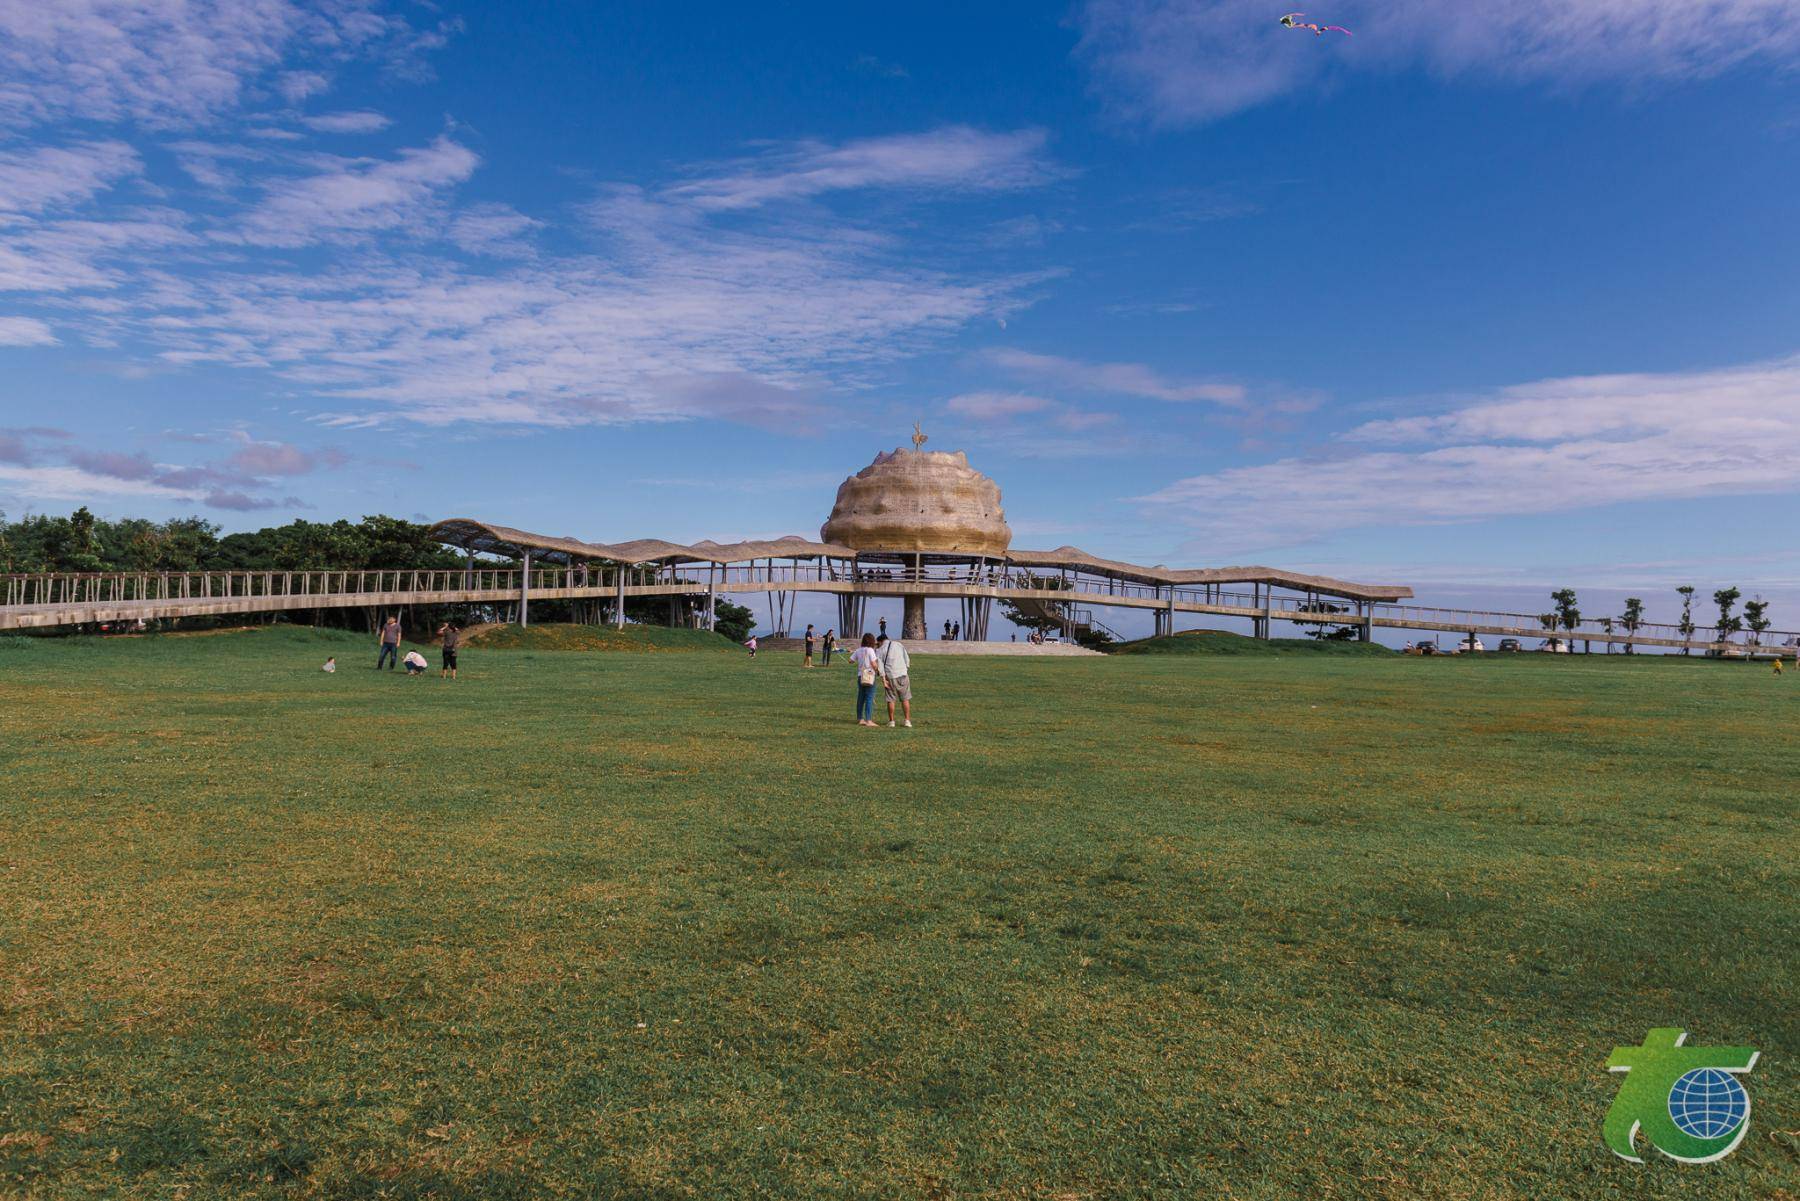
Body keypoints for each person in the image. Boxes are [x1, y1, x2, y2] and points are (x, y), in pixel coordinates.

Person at [878, 634, 913, 728]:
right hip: (903, 674)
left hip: (890, 676)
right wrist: (905, 669)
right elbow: (906, 658)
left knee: (890, 699)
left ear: (880, 641)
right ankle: (907, 720)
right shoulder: (898, 644)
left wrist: (883, 679)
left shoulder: (880, 650)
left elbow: (880, 667)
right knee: (905, 698)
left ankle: (892, 721)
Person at [850, 633, 883, 726]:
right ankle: (868, 720)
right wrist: (878, 671)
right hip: (869, 676)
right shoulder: (870, 650)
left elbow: (851, 660)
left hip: (860, 676)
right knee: (869, 697)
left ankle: (860, 719)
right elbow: (873, 663)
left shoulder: (858, 650)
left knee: (861, 697)